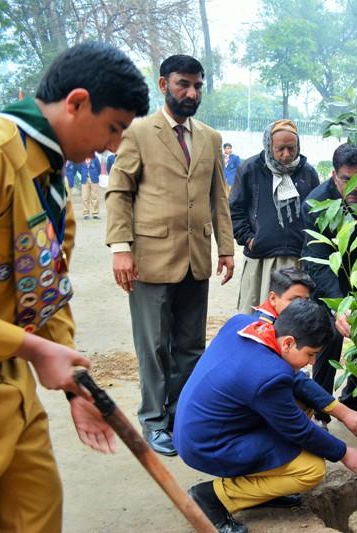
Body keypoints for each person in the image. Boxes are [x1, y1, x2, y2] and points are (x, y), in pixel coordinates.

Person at [0, 41, 148, 532]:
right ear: (77, 102)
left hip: (9, 381)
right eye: (113, 127)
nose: (115, 145)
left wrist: (78, 388)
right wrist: (34, 348)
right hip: (12, 357)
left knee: (38, 512)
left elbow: (47, 292)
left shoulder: (52, 185)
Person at [106, 54, 235, 456]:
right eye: (183, 84)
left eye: (197, 86)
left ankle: (182, 416)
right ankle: (153, 420)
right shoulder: (139, 133)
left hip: (196, 259)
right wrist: (121, 248)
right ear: (163, 85)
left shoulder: (210, 138)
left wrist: (226, 249)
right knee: (154, 346)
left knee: (191, 346)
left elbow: (218, 198)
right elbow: (119, 191)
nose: (191, 93)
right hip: (150, 260)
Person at [175, 299, 357, 533]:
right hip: (209, 445)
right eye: (310, 354)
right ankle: (212, 497)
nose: (312, 362)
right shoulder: (268, 377)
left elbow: (296, 379)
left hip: (198, 426)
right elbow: (299, 430)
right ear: (288, 342)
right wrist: (344, 453)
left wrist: (343, 412)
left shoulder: (247, 325)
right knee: (311, 469)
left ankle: (263, 490)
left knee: (302, 401)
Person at [301, 142, 357, 423]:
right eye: (345, 179)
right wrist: (340, 306)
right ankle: (321, 415)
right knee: (328, 340)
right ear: (333, 175)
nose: (354, 186)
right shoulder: (316, 204)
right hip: (330, 284)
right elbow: (317, 262)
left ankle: (352, 404)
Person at [230, 120, 319, 312]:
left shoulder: (308, 172)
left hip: (297, 259)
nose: (286, 154)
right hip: (261, 259)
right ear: (269, 146)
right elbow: (235, 209)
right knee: (257, 315)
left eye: (291, 148)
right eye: (280, 149)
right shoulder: (250, 169)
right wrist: (248, 238)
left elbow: (316, 213)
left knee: (293, 318)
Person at [80, 153, 101, 219]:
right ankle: (86, 214)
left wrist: (95, 174)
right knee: (85, 197)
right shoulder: (81, 158)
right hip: (84, 180)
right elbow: (79, 168)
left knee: (95, 197)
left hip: (94, 179)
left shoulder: (95, 158)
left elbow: (99, 168)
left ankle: (95, 214)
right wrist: (83, 173)